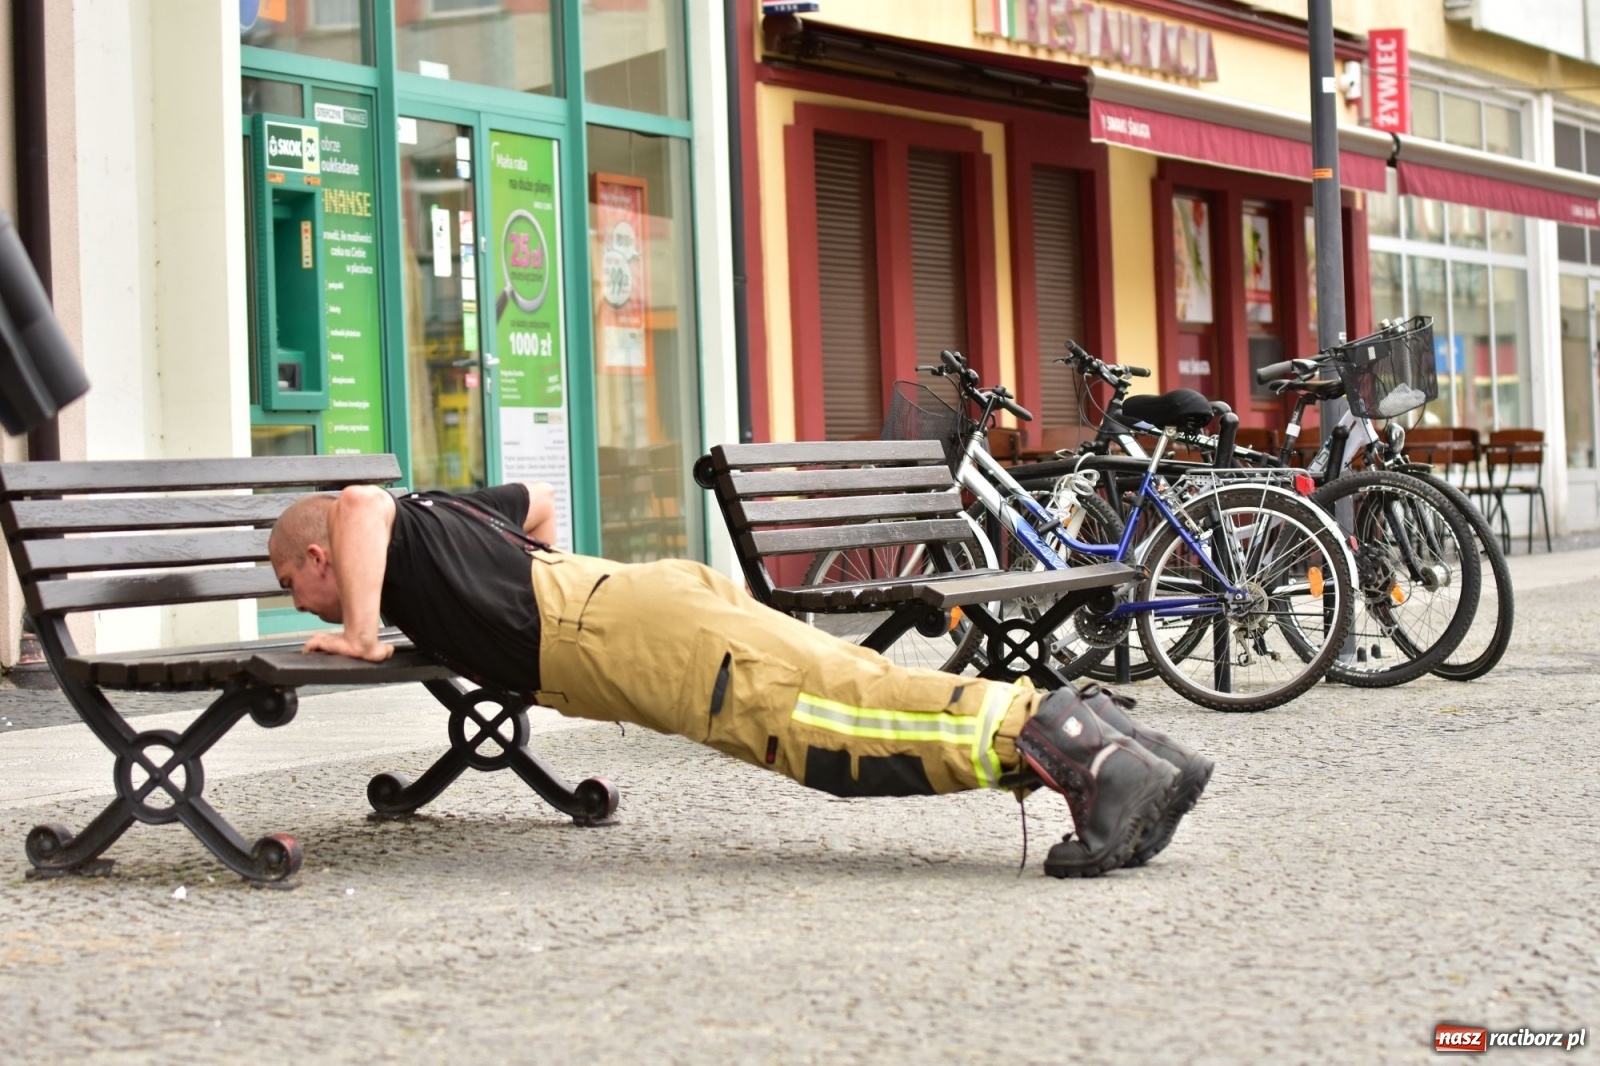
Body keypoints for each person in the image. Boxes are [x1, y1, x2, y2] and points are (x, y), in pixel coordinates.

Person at [268, 480, 1214, 878]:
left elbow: (355, 501)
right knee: (855, 683)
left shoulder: (373, 527)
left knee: (836, 731)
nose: (298, 603)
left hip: (627, 634)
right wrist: (541, 590)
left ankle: (1084, 755)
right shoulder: (434, 520)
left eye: (293, 584)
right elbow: (541, 503)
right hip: (638, 599)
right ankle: (1131, 752)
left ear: (318, 555)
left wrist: (360, 632)